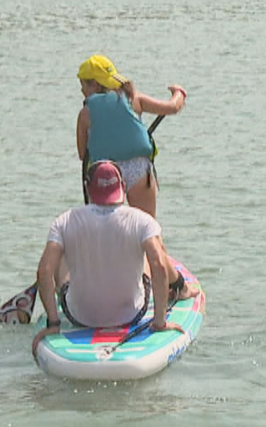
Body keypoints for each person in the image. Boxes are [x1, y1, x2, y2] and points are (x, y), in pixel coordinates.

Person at [35, 161, 197, 340]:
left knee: (60, 255)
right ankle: (180, 287)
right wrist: (160, 322)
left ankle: (63, 302)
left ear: (87, 187)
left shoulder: (64, 221)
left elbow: (44, 271)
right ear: (123, 186)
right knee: (149, 253)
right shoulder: (141, 220)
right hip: (131, 315)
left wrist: (53, 323)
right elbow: (159, 265)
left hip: (79, 317)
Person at [77, 54, 185, 218]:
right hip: (138, 171)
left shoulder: (85, 113)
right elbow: (172, 107)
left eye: (83, 84)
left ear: (95, 84)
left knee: (105, 230)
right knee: (148, 228)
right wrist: (179, 92)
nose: (81, 90)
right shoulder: (133, 98)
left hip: (106, 174)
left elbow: (83, 154)